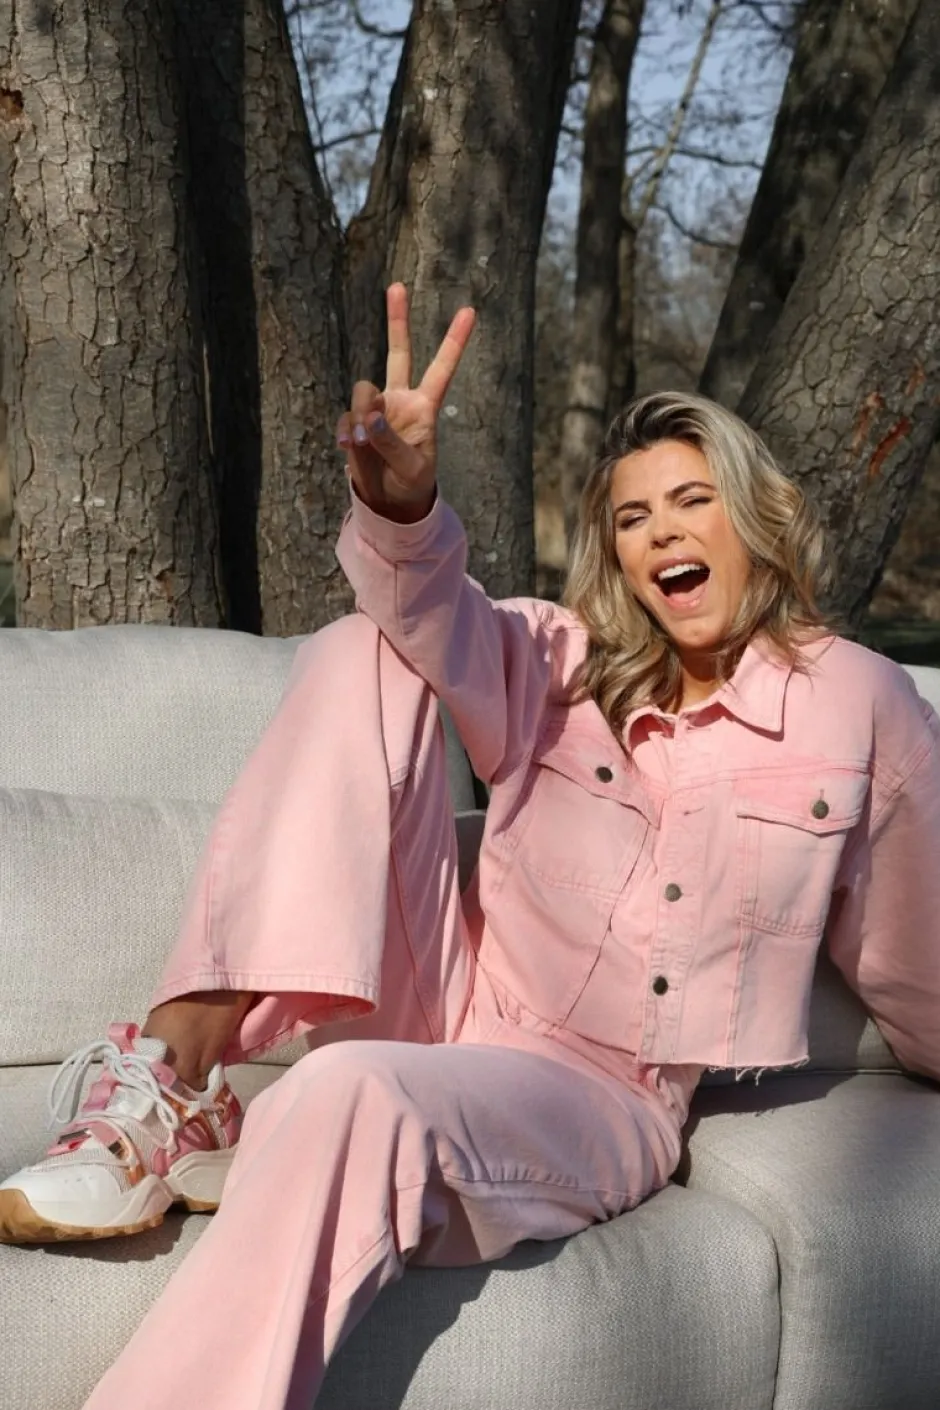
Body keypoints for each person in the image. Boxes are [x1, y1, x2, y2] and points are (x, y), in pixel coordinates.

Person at [2, 284, 939, 1410]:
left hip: (592, 1092)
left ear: (756, 518)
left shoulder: (856, 704)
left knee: (341, 1092)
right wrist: (400, 505)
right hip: (439, 998)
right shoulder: (564, 664)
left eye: (694, 501)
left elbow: (915, 951)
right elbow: (428, 610)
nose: (661, 533)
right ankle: (179, 1071)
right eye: (632, 518)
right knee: (367, 646)